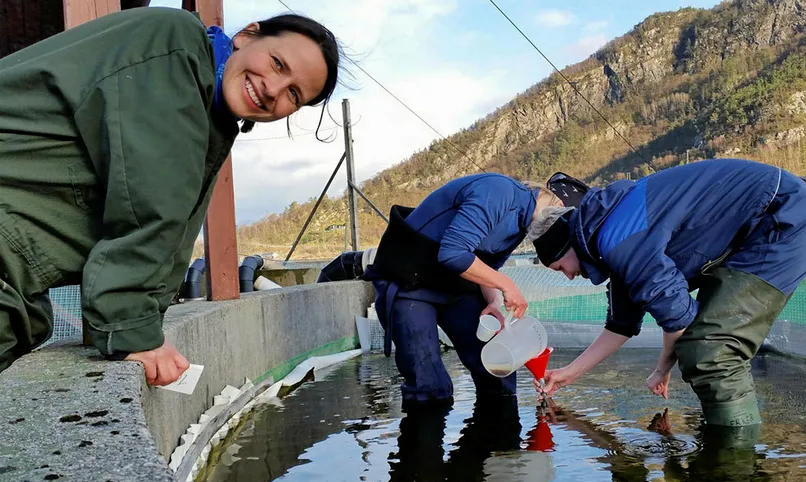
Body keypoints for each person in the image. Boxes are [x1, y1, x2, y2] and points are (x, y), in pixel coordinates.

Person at [0, 7, 341, 386]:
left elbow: (170, 226)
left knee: (25, 322)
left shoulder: (211, 115)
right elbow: (153, 198)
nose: (273, 90)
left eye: (294, 93)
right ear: (246, 36)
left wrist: (148, 322)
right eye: (277, 63)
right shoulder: (176, 44)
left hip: (15, 263)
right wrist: (132, 327)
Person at [531, 158, 806, 427]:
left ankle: (731, 466)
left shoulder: (619, 238)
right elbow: (620, 324)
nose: (568, 276)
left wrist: (661, 369)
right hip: (751, 228)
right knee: (699, 347)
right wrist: (568, 373)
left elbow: (678, 321)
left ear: (567, 244)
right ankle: (721, 434)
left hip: (782, 218)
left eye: (559, 267)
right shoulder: (607, 233)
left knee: (711, 351)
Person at [356, 173, 568, 411]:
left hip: (455, 287)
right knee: (430, 387)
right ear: (557, 205)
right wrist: (507, 286)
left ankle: (504, 447)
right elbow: (453, 253)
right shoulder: (499, 192)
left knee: (499, 373)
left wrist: (494, 301)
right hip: (409, 284)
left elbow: (488, 267)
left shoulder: (521, 226)